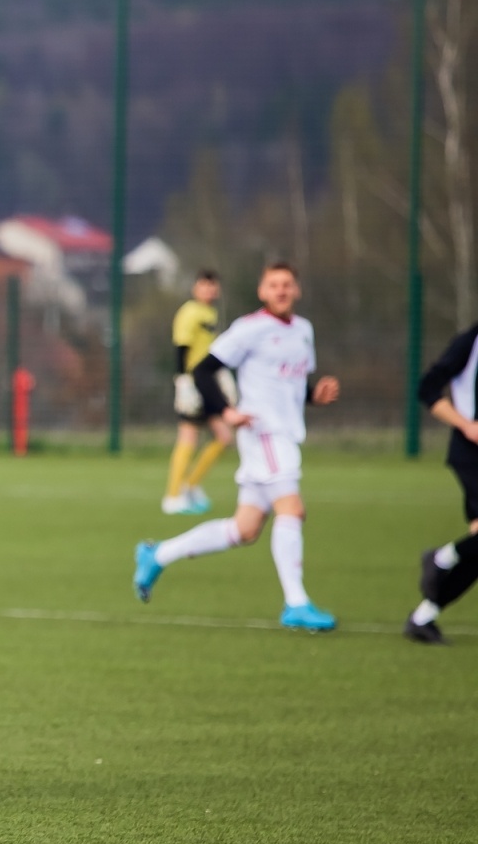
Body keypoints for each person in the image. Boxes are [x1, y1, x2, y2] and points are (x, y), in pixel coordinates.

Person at [133, 262, 341, 630]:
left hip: (285, 434)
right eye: (273, 285)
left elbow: (289, 384)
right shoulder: (250, 328)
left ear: (297, 290)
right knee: (292, 509)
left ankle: (158, 555)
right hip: (263, 432)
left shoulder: (303, 330)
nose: (281, 291)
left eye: (287, 284)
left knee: (245, 529)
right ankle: (296, 603)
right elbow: (203, 370)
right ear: (262, 291)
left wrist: (314, 396)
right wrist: (226, 411)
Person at [404, 322, 478, 645]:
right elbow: (427, 387)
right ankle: (442, 557)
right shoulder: (471, 342)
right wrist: (467, 425)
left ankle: (423, 617)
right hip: (472, 455)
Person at [162, 270, 235, 515]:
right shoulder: (190, 312)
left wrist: (221, 376)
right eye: (204, 285)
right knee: (188, 436)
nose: (209, 290)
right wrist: (182, 380)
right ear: (195, 287)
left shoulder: (211, 313)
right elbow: (181, 347)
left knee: (224, 437)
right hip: (194, 381)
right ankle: (173, 495)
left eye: (213, 285)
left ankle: (190, 485)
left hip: (210, 382)